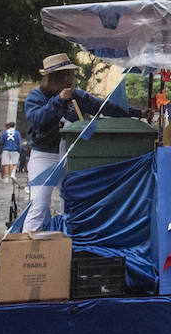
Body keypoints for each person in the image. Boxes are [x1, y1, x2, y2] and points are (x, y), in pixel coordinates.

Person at [24, 53, 138, 232]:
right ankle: (26, 250)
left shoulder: (78, 96)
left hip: (71, 155)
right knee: (38, 204)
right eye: (66, 74)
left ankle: (70, 245)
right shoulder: (36, 97)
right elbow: (37, 120)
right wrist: (57, 101)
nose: (70, 78)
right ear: (55, 78)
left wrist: (137, 113)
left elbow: (106, 107)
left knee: (71, 204)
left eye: (70, 74)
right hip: (45, 155)